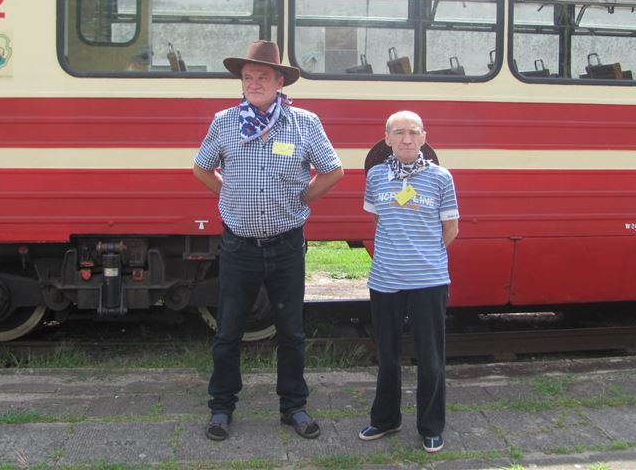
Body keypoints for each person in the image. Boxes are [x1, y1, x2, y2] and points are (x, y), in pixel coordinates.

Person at [193, 40, 344, 442]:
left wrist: (303, 197)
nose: (254, 83)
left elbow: (333, 170)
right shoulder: (224, 122)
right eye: (248, 77)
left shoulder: (304, 123)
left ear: (280, 82)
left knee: (291, 333)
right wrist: (228, 193)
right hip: (239, 247)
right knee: (228, 332)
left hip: (286, 246)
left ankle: (293, 407)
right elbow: (201, 167)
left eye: (262, 76)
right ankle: (221, 407)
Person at [358, 110, 459, 454]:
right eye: (399, 132)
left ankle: (431, 426)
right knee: (387, 356)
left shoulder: (441, 177)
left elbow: (451, 228)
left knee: (430, 357)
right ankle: (386, 419)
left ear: (424, 138)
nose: (406, 139)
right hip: (385, 280)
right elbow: (378, 222)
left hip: (428, 281)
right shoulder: (375, 176)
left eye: (413, 132)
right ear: (387, 139)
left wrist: (423, 256)